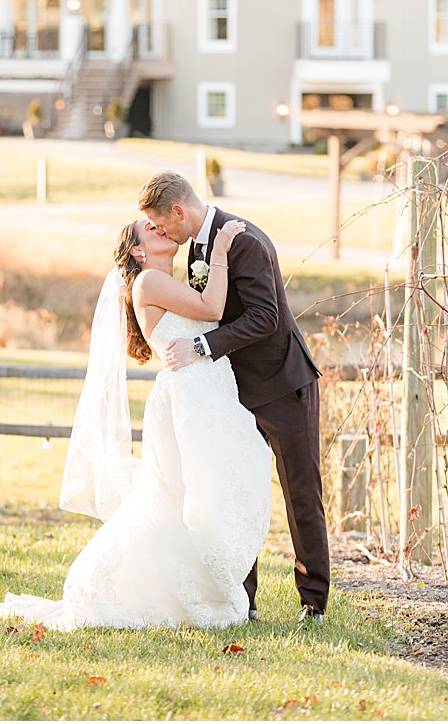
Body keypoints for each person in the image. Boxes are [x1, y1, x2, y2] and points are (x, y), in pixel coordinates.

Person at [0, 216, 272, 629]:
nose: (160, 228)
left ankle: (202, 585)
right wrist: (222, 249)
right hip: (187, 399)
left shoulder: (168, 281)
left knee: (202, 494)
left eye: (161, 224)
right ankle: (156, 590)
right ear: (138, 251)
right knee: (188, 496)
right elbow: (212, 309)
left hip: (208, 392)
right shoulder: (148, 283)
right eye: (151, 228)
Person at [139, 171, 331, 623]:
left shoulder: (245, 241)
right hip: (234, 395)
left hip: (284, 385)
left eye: (161, 225)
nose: (161, 233)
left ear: (178, 212)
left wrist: (202, 348)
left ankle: (314, 604)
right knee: (235, 492)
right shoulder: (199, 251)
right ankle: (242, 602)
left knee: (301, 492)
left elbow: (266, 317)